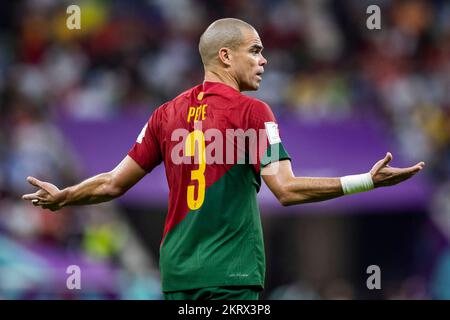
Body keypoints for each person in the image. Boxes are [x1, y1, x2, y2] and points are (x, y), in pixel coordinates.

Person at [22, 18, 425, 300]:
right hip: (232, 277)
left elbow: (112, 183)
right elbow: (285, 189)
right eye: (256, 51)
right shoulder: (254, 113)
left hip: (178, 274)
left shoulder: (165, 114)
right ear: (226, 56)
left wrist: (65, 197)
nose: (264, 60)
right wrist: (367, 181)